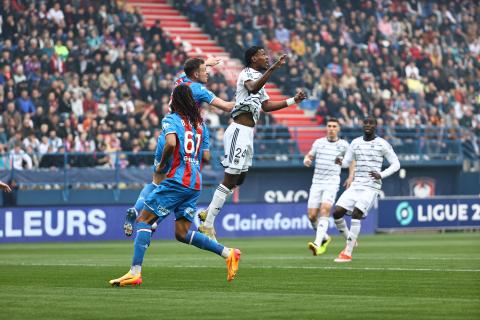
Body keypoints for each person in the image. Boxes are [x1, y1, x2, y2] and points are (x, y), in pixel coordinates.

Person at [109, 85, 241, 287]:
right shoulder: (200, 125)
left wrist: (163, 164)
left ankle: (135, 272)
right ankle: (228, 253)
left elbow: (170, 143)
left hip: (177, 180)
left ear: (175, 101)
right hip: (194, 182)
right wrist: (191, 161)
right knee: (181, 233)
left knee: (144, 220)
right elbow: (206, 156)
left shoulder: (170, 120)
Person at [198, 46, 306, 240]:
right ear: (253, 58)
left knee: (240, 179)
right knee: (230, 179)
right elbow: (252, 87)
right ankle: (207, 224)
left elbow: (266, 106)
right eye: (263, 54)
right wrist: (272, 68)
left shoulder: (258, 80)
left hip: (248, 133)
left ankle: (208, 210)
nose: (266, 57)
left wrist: (292, 101)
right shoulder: (247, 74)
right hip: (238, 130)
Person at [123, 57, 235, 236]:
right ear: (197, 73)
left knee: (157, 180)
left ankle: (136, 210)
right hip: (185, 135)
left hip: (168, 131)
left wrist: (207, 63)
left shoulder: (180, 80)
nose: (208, 73)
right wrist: (245, 97)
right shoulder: (199, 90)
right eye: (205, 71)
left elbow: (190, 69)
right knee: (181, 180)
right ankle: (156, 220)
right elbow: (228, 107)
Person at [333, 116, 400, 262]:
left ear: (376, 126)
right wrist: (340, 162)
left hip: (371, 186)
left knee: (357, 213)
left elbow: (396, 164)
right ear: (362, 125)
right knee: (337, 212)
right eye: (365, 123)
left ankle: (347, 252)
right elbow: (347, 163)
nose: (368, 125)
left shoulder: (382, 144)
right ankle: (351, 239)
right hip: (357, 184)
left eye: (371, 123)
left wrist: (381, 174)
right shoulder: (355, 143)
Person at [304, 118, 355, 256]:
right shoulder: (318, 143)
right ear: (326, 128)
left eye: (334, 126)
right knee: (312, 216)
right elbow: (309, 156)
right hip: (317, 183)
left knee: (325, 209)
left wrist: (351, 176)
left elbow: (352, 160)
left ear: (338, 129)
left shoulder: (344, 145)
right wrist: (307, 160)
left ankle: (317, 243)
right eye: (329, 126)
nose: (331, 128)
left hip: (332, 183)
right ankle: (325, 238)